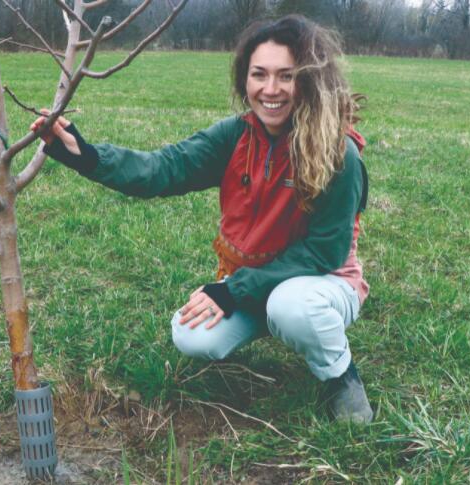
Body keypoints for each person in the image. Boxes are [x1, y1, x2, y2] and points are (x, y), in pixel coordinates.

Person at [31, 15, 373, 423]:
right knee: (191, 335)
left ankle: (340, 376)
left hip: (323, 281)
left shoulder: (338, 154)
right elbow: (163, 169)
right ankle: (275, 318)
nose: (270, 89)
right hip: (255, 280)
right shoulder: (234, 136)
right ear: (244, 79)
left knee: (293, 307)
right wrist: (86, 156)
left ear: (311, 80)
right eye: (258, 74)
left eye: (287, 76)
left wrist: (232, 290)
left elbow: (324, 252)